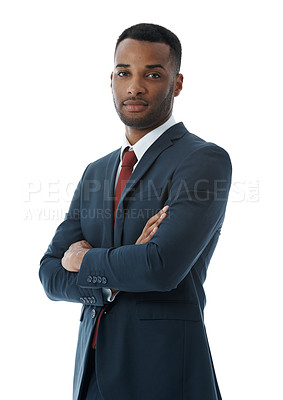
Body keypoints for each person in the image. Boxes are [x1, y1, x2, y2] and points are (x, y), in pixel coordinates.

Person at [39, 23, 232, 400]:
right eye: (125, 73)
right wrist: (114, 275)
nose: (135, 87)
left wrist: (85, 259)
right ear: (111, 78)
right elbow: (49, 273)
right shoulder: (97, 171)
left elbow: (160, 268)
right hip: (90, 376)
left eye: (153, 74)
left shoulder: (202, 160)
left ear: (176, 83)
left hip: (162, 374)